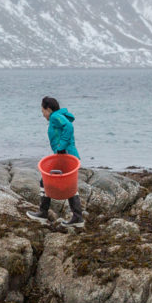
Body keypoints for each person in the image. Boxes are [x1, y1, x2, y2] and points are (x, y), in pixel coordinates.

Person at [30, 95, 85, 226]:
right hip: (68, 155)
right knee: (69, 185)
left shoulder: (55, 117)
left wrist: (61, 147)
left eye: (42, 111)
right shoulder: (58, 116)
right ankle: (78, 217)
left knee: (45, 181)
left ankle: (43, 213)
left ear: (48, 109)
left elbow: (69, 128)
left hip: (65, 155)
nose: (42, 114)